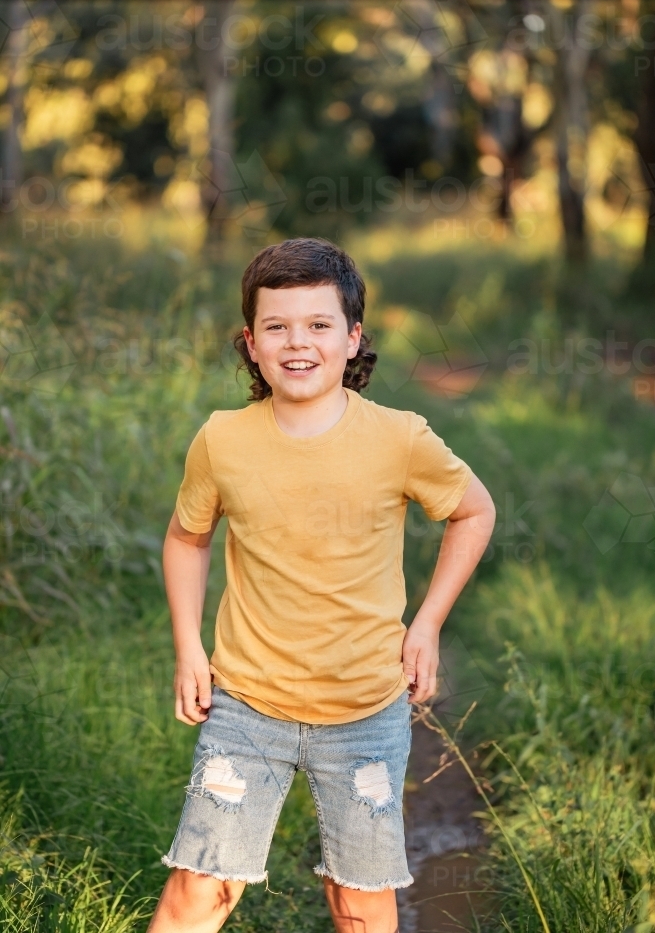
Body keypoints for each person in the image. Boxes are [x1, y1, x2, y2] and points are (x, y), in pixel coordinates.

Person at [148, 237, 495, 933]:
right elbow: (188, 538)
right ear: (250, 342)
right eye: (276, 326)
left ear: (352, 336)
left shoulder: (398, 438)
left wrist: (425, 624)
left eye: (318, 324)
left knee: (359, 901)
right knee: (200, 889)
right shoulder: (221, 440)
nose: (296, 343)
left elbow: (473, 509)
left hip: (364, 710)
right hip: (247, 704)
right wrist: (189, 648)